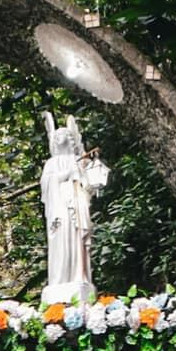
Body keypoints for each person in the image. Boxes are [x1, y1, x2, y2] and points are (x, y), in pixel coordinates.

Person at [41, 113, 108, 301]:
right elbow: (46, 186)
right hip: (60, 205)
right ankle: (60, 278)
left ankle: (79, 275)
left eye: (65, 135)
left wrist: (90, 176)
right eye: (58, 136)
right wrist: (65, 175)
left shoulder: (80, 160)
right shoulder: (52, 163)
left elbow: (89, 185)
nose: (61, 138)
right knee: (61, 238)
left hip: (77, 203)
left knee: (78, 238)